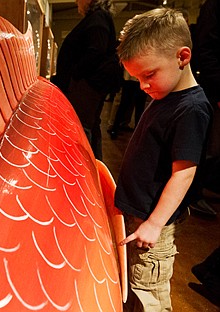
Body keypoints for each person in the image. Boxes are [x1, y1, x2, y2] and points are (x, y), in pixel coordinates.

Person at [114, 8, 212, 311]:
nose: (142, 85)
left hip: (153, 227)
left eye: (148, 75)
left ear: (182, 56)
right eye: (137, 78)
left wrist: (154, 224)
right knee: (132, 286)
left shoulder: (192, 109)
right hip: (139, 217)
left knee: (148, 294)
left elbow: (184, 174)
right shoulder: (163, 95)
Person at [51, 0, 122, 160]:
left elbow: (96, 51)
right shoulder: (99, 19)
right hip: (89, 83)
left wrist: (75, 74)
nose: (77, 1)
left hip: (87, 85)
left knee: (82, 127)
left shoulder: (98, 19)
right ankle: (94, 168)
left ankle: (82, 170)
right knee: (90, 125)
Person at [189, 0, 220, 217]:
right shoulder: (214, 6)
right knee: (207, 145)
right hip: (213, 87)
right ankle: (194, 193)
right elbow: (206, 48)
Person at [108, 69, 147, 139]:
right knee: (139, 107)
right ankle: (137, 134)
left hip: (129, 77)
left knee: (124, 105)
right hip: (140, 78)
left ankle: (115, 129)